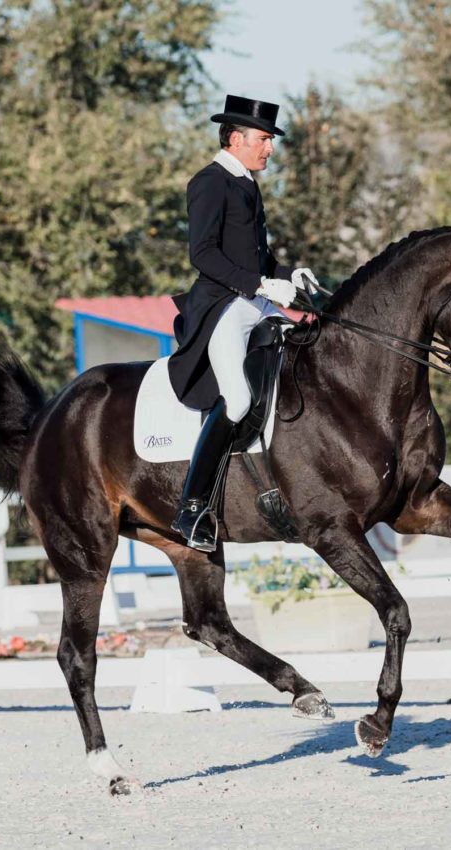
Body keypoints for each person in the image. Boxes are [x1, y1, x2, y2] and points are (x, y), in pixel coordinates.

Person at [166, 95, 313, 552]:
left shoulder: (248, 183)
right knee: (237, 398)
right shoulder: (209, 183)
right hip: (223, 306)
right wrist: (261, 286)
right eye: (264, 140)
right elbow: (203, 255)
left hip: (254, 301)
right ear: (236, 138)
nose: (270, 149)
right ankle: (192, 509)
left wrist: (289, 275)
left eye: (270, 140)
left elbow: (259, 257)